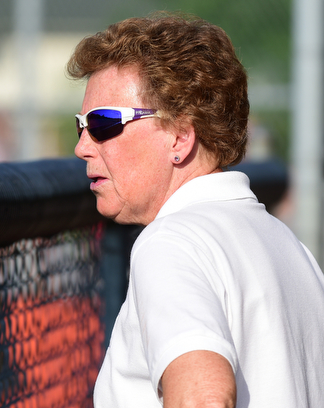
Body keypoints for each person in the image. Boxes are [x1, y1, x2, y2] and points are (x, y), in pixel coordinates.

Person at [67, 12, 324, 408]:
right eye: (81, 125)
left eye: (103, 124)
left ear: (180, 138)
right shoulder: (289, 247)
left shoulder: (171, 243)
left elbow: (203, 396)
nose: (82, 146)